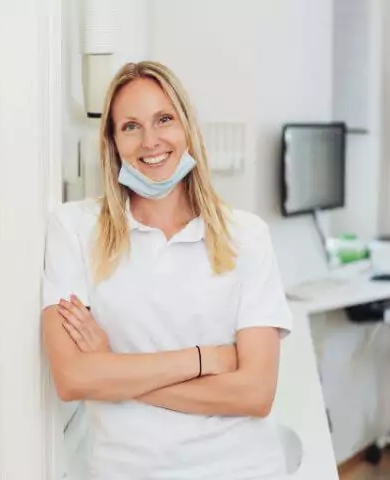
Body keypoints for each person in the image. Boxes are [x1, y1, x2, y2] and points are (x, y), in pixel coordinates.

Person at [41, 61, 293, 480]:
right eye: (130, 126)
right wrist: (204, 358)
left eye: (164, 119)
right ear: (112, 142)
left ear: (187, 128)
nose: (151, 140)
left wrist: (114, 368)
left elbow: (255, 393)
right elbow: (72, 377)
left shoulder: (246, 235)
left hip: (241, 468)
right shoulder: (74, 228)